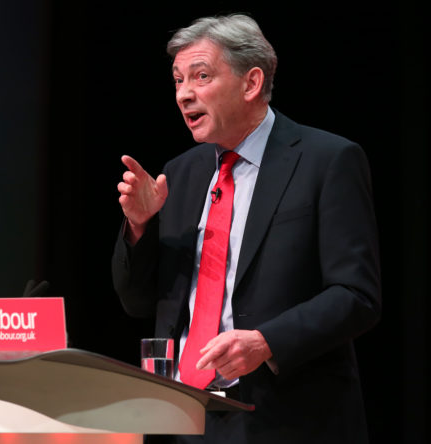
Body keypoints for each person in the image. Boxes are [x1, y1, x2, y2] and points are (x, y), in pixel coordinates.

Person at [112, 14, 381, 444]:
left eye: (201, 76)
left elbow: (356, 296)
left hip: (285, 418)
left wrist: (265, 342)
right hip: (187, 417)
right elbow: (139, 302)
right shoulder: (178, 176)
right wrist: (139, 226)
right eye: (178, 80)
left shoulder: (326, 161)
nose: (184, 94)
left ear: (251, 83)